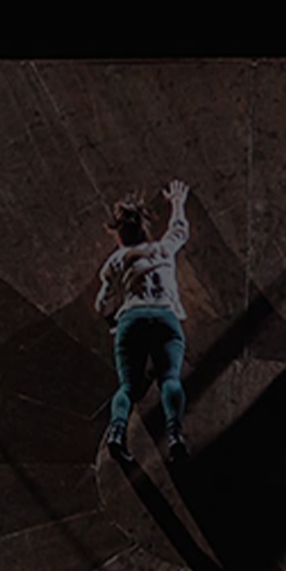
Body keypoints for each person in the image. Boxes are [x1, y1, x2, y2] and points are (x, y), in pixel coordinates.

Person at [95, 179, 193, 464]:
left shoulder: (116, 261)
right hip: (165, 318)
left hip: (132, 319)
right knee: (170, 379)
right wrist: (177, 203)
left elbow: (102, 305)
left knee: (128, 387)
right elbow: (179, 230)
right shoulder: (163, 250)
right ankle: (175, 435)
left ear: (120, 237)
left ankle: (116, 432)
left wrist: (112, 307)